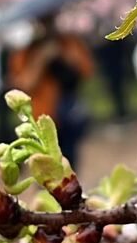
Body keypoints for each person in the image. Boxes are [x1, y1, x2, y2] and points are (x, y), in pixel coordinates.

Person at [7, 15, 94, 166]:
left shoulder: (68, 43)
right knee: (45, 166)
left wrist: (64, 56)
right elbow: (24, 84)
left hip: (69, 113)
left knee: (69, 160)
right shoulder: (27, 51)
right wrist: (42, 59)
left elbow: (86, 70)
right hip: (42, 115)